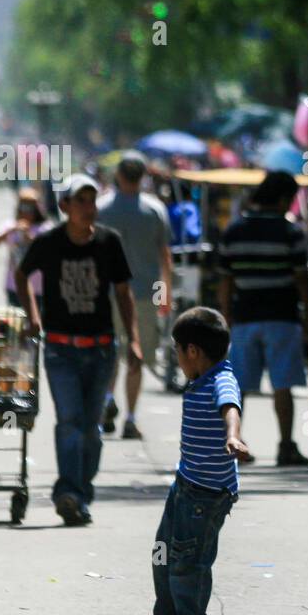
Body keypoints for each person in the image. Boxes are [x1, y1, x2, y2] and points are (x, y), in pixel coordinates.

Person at [17, 174, 139, 527]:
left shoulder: (108, 242)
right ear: (64, 206)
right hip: (60, 349)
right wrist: (33, 316)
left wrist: (132, 339)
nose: (88, 207)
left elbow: (123, 292)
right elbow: (22, 274)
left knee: (91, 427)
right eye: (80, 201)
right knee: (69, 421)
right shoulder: (50, 242)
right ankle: (68, 492)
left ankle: (81, 491)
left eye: (91, 200)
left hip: (101, 349)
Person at [137, 307, 248, 615]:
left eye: (177, 351)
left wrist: (234, 437)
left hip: (207, 494)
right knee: (162, 551)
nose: (178, 359)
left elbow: (230, 407)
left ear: (193, 352)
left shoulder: (222, 380)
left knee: (189, 560)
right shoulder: (201, 379)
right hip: (185, 484)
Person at [217, 171, 308, 467]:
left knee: (240, 386)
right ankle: (286, 445)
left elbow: (225, 282)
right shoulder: (291, 233)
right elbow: (302, 281)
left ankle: (236, 442)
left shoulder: (234, 231)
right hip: (282, 318)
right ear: (283, 198)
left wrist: (227, 319)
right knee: (282, 385)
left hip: (245, 317)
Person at [97, 153, 174, 440]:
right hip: (143, 293)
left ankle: (107, 400)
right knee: (136, 355)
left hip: (107, 294)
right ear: (143, 176)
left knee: (109, 352)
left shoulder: (102, 207)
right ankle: (130, 417)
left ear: (118, 175)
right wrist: (164, 294)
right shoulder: (155, 210)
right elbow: (165, 256)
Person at [0, 188, 48, 308]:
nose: (26, 211)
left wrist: (29, 237)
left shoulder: (44, 228)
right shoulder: (10, 225)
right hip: (14, 286)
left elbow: (47, 250)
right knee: (16, 323)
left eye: (30, 208)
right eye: (23, 206)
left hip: (37, 288)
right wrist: (12, 229)